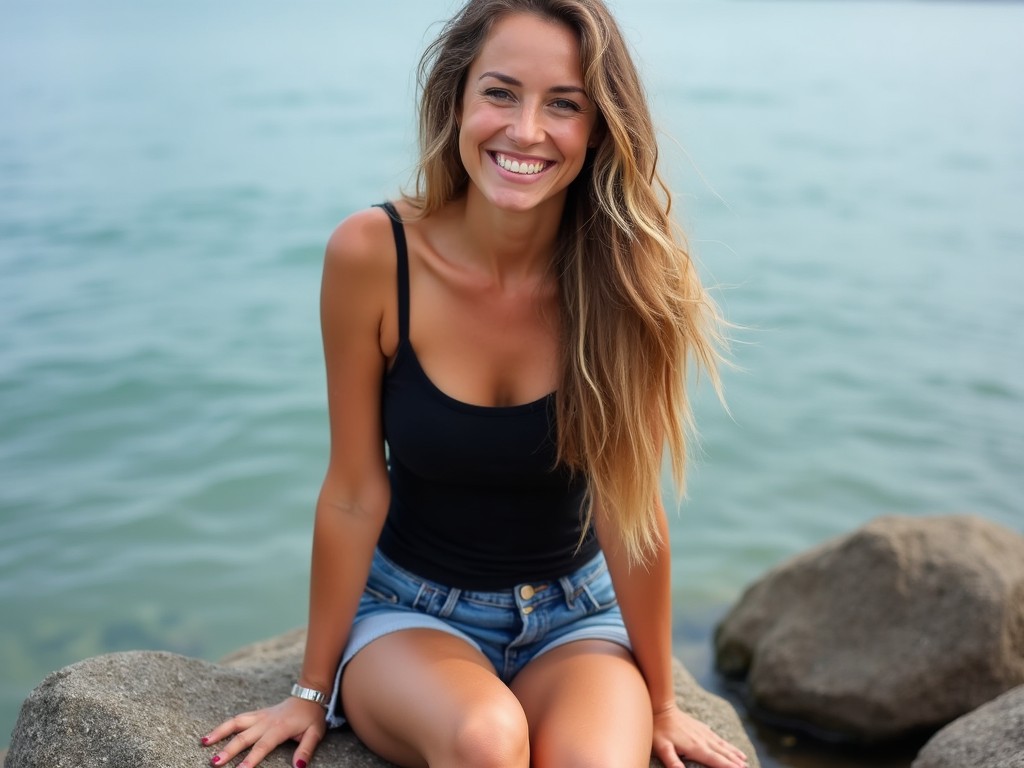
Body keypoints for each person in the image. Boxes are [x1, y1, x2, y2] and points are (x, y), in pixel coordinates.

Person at [203, 1, 747, 766]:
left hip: (576, 621)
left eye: (564, 105)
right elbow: (355, 488)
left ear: (597, 131)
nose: (526, 131)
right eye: (500, 93)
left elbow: (632, 512)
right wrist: (308, 692)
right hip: (413, 614)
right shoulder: (375, 255)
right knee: (488, 742)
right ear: (456, 99)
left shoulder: (631, 281)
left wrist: (660, 703)